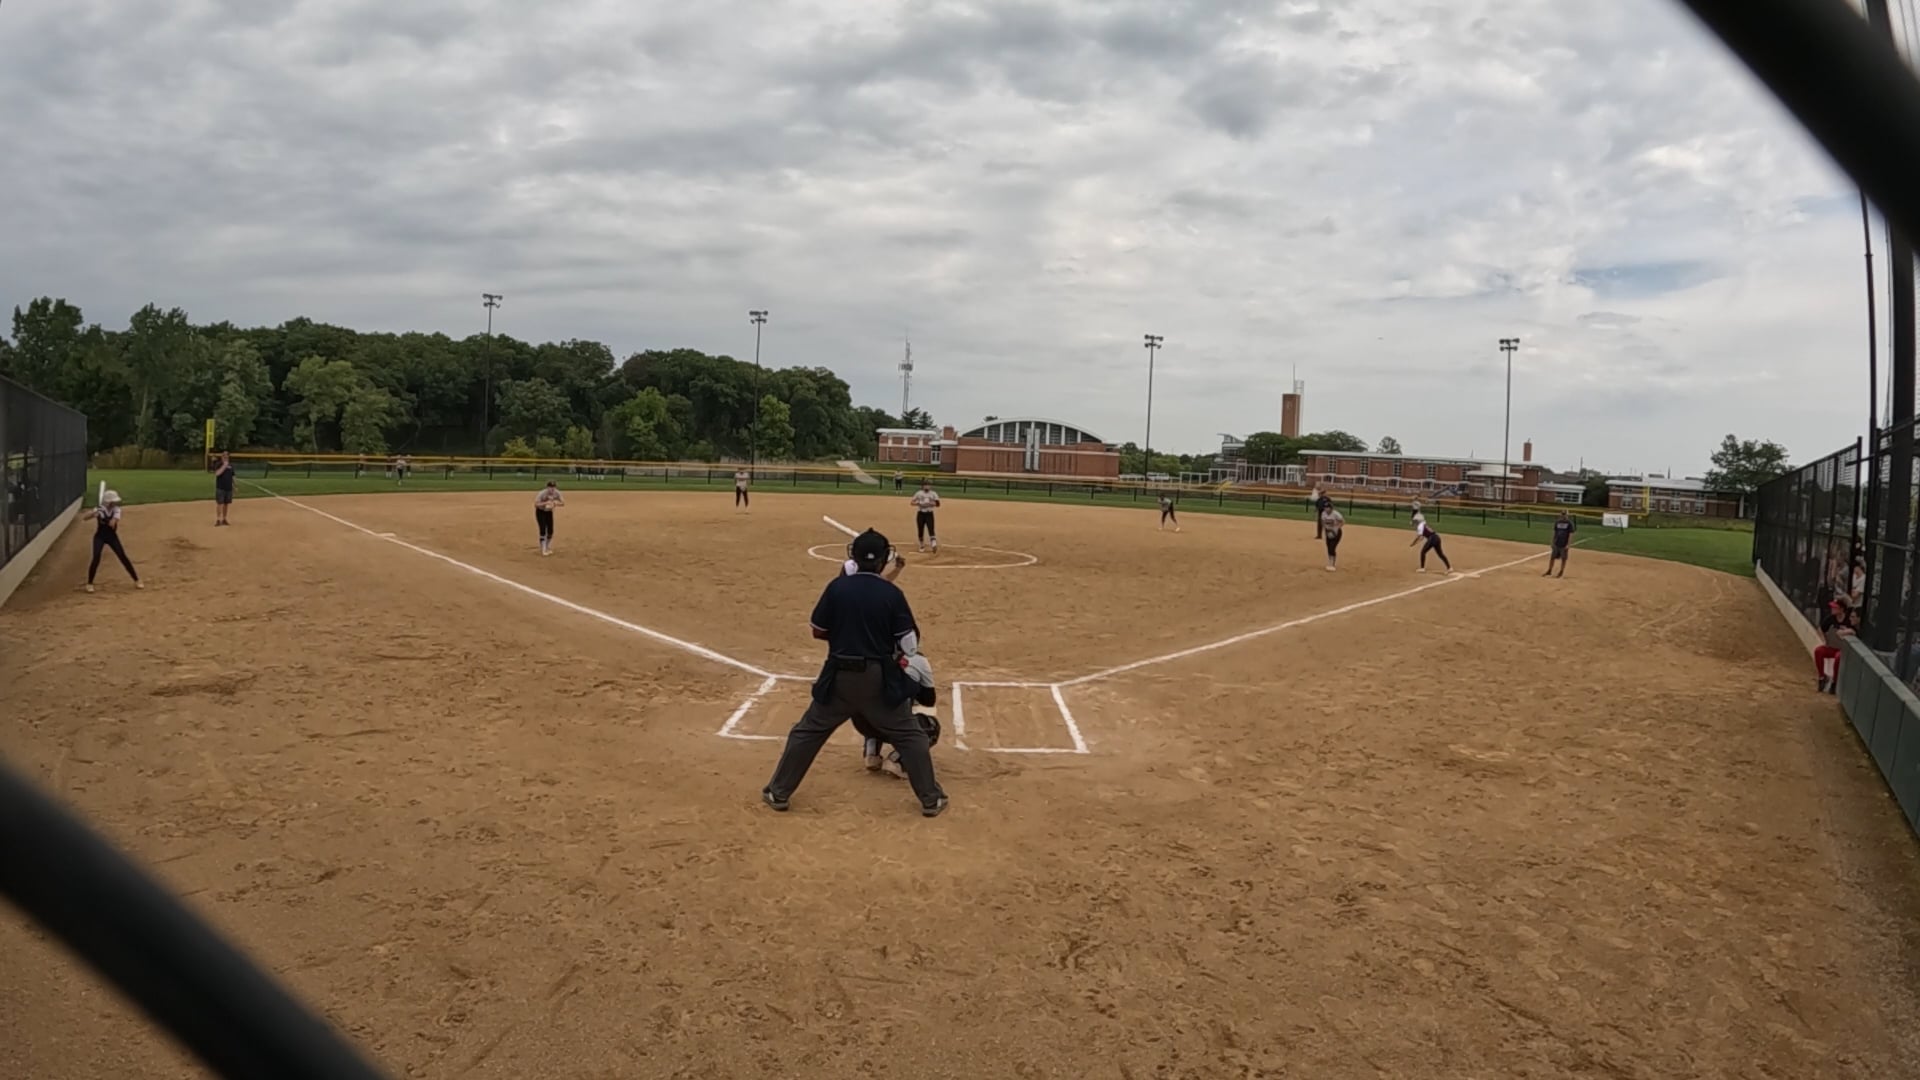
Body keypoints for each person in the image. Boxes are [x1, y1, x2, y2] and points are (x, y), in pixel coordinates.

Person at [763, 528, 948, 817]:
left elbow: (818, 630)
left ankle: (779, 791)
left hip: (838, 676)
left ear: (854, 557)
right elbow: (909, 645)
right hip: (878, 679)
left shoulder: (837, 588)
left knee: (807, 732)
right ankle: (930, 799)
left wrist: (845, 633)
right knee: (911, 736)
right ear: (883, 560)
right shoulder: (891, 593)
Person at [85, 490, 141, 594]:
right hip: (100, 537)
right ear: (108, 502)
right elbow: (85, 518)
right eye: (113, 501)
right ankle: (89, 583)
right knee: (96, 557)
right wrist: (94, 513)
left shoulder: (116, 510)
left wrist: (104, 517)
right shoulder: (100, 509)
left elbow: (113, 523)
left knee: (122, 556)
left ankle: (136, 579)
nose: (115, 503)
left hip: (112, 537)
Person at [1815, 600, 1856, 694]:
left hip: (1842, 650)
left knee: (1838, 657)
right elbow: (1821, 629)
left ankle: (1834, 681)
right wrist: (1824, 640)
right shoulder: (1830, 618)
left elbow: (1854, 632)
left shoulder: (1848, 620)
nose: (1832, 609)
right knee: (1818, 651)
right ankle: (1822, 677)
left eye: (1835, 608)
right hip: (1831, 647)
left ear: (1841, 609)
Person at [534, 480, 565, 556]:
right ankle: (543, 549)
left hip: (549, 512)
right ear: (547, 487)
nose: (552, 489)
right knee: (543, 529)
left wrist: (555, 503)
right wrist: (545, 503)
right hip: (540, 512)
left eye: (553, 487)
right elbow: (536, 504)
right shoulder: (542, 493)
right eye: (550, 487)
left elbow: (563, 503)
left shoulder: (557, 493)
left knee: (550, 531)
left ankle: (547, 546)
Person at [911, 480, 941, 553]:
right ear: (922, 486)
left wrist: (930, 504)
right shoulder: (919, 493)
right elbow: (912, 502)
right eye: (925, 485)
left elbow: (938, 504)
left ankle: (933, 544)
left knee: (931, 528)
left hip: (929, 513)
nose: (927, 487)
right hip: (921, 513)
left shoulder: (933, 494)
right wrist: (919, 503)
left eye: (928, 485)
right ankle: (921, 545)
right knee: (920, 529)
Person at [1544, 510, 1575, 577]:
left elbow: (1571, 534)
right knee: (1552, 557)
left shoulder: (1569, 523)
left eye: (1565, 514)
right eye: (1562, 514)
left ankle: (1561, 571)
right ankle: (1549, 570)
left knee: (1563, 559)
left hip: (1564, 544)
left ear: (1567, 515)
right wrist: (1552, 542)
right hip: (1556, 543)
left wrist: (1568, 544)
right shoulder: (1557, 522)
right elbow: (1554, 532)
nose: (1563, 516)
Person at [212, 451, 235, 526]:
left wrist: (235, 486)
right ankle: (218, 519)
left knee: (226, 504)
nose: (225, 457)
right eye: (224, 456)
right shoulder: (219, 464)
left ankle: (224, 519)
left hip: (228, 488)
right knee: (220, 504)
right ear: (222, 457)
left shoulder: (231, 465)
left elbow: (233, 476)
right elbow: (217, 473)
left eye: (227, 456)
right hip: (220, 487)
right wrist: (224, 466)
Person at [1320, 504, 1344, 571]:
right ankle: (1330, 561)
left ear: (1331, 508)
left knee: (1332, 547)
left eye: (1327, 507)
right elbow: (1322, 522)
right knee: (1328, 547)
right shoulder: (1323, 513)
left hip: (1336, 533)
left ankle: (1332, 564)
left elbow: (1342, 522)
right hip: (1328, 532)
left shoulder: (1336, 514)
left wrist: (1336, 528)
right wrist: (1325, 527)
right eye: (1325, 507)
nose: (1325, 509)